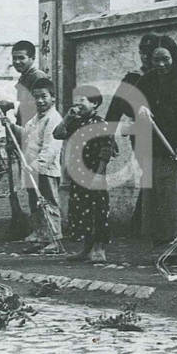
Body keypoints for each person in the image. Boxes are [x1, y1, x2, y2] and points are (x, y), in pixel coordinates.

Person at [136, 35, 177, 265]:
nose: (160, 65)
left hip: (175, 149)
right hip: (152, 147)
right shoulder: (147, 80)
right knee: (158, 200)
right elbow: (135, 102)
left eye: (165, 59)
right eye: (156, 60)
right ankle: (170, 248)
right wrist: (140, 108)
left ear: (175, 57)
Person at [54, 85, 117, 263]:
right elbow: (58, 134)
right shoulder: (75, 122)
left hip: (95, 173)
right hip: (77, 174)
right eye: (76, 100)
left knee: (98, 211)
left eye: (82, 100)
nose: (78, 104)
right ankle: (86, 249)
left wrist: (99, 173)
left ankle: (99, 250)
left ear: (94, 103)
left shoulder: (102, 124)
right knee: (81, 212)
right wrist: (67, 117)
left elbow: (106, 150)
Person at [105, 32, 159, 236]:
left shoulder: (167, 76)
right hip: (142, 132)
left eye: (149, 52)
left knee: (163, 175)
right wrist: (108, 135)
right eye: (142, 52)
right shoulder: (134, 77)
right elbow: (116, 107)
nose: (145, 57)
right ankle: (142, 223)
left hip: (167, 133)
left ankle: (145, 222)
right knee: (149, 173)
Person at [3, 77, 64, 254]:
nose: (40, 101)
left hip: (45, 170)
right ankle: (42, 236)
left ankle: (55, 239)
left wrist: (36, 166)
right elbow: (26, 134)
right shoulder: (36, 118)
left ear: (53, 98)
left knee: (48, 204)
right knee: (36, 205)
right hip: (31, 170)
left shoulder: (53, 119)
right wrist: (11, 127)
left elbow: (51, 149)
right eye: (36, 97)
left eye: (44, 97)